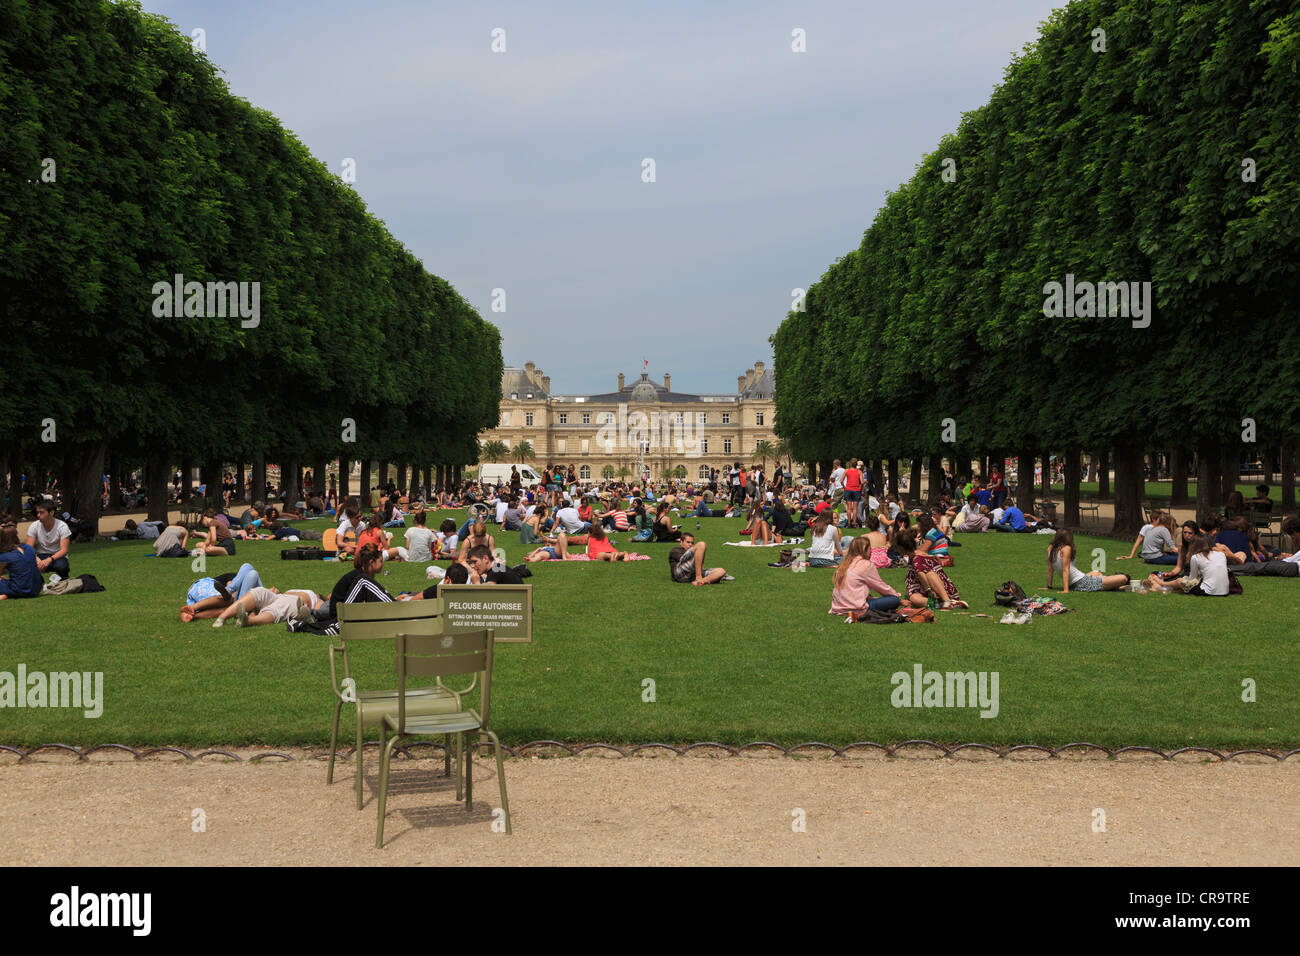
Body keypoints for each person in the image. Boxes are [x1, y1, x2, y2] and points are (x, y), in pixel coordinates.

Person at [830, 536, 901, 618]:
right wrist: (896, 596)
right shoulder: (866, 564)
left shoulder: (843, 564)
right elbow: (880, 586)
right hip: (856, 607)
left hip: (839, 606)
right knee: (894, 600)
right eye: (869, 548)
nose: (871, 551)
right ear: (865, 549)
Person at [892, 530, 965, 609]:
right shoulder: (914, 555)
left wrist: (929, 591)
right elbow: (912, 577)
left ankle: (947, 601)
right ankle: (941, 604)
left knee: (930, 574)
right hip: (927, 588)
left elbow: (921, 574)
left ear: (901, 548)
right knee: (914, 598)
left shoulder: (917, 558)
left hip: (939, 589)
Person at [1045, 531, 1128, 593]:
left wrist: (1049, 586)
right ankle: (1114, 585)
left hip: (1078, 581)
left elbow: (1050, 569)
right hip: (1082, 582)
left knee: (1096, 572)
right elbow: (1065, 569)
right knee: (1124, 578)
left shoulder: (1050, 549)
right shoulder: (1066, 548)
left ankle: (1112, 585)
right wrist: (1066, 590)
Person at [1147, 535, 1229, 595]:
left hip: (1208, 591)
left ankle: (1161, 584)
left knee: (1180, 581)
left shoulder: (1196, 557)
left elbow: (1191, 579)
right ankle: (1164, 587)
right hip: (1225, 591)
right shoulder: (1221, 554)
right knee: (1182, 583)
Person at [180, 563, 264, 621]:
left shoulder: (240, 580)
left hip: (202, 589)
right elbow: (230, 588)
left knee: (228, 606)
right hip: (204, 586)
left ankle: (192, 613)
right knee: (229, 600)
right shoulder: (235, 578)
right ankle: (193, 610)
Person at [26, 501, 71, 577]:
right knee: (26, 564)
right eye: (38, 512)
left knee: (62, 566)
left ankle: (64, 582)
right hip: (40, 555)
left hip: (57, 556)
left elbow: (64, 550)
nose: (38, 515)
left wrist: (49, 560)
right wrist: (37, 560)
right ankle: (37, 583)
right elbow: (28, 548)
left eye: (42, 512)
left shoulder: (62, 526)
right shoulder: (34, 526)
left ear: (51, 513)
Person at [0, 525, 42, 599]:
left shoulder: (5, 556)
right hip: (36, 589)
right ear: (16, 535)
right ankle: (8, 594)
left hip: (20, 589)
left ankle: (9, 594)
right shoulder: (29, 548)